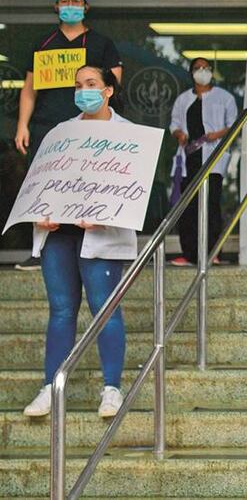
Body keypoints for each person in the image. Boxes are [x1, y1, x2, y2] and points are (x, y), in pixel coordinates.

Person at [22, 64, 135, 419]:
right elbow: (43, 179)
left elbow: (135, 192)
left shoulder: (129, 135)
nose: (83, 90)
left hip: (100, 235)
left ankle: (111, 389)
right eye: (78, 85)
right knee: (61, 311)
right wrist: (40, 211)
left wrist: (107, 212)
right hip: (59, 234)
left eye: (91, 84)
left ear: (108, 90)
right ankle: (50, 388)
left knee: (105, 310)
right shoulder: (61, 131)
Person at [14, 0, 123, 271]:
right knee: (44, 187)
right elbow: (29, 88)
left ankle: (87, 246)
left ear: (86, 6)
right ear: (56, 6)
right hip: (47, 125)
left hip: (87, 128)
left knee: (84, 184)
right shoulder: (44, 43)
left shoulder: (102, 44)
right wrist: (23, 125)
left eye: (76, 1)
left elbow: (115, 82)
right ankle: (41, 250)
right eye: (65, 1)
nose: (70, 6)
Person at [168, 57, 238, 266]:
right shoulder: (183, 99)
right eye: (197, 68)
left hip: (212, 157)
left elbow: (233, 124)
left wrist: (217, 134)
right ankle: (189, 254)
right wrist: (179, 133)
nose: (202, 71)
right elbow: (174, 124)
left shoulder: (224, 97)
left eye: (206, 68)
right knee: (188, 207)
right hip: (189, 158)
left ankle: (212, 252)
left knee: (211, 206)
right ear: (191, 73)